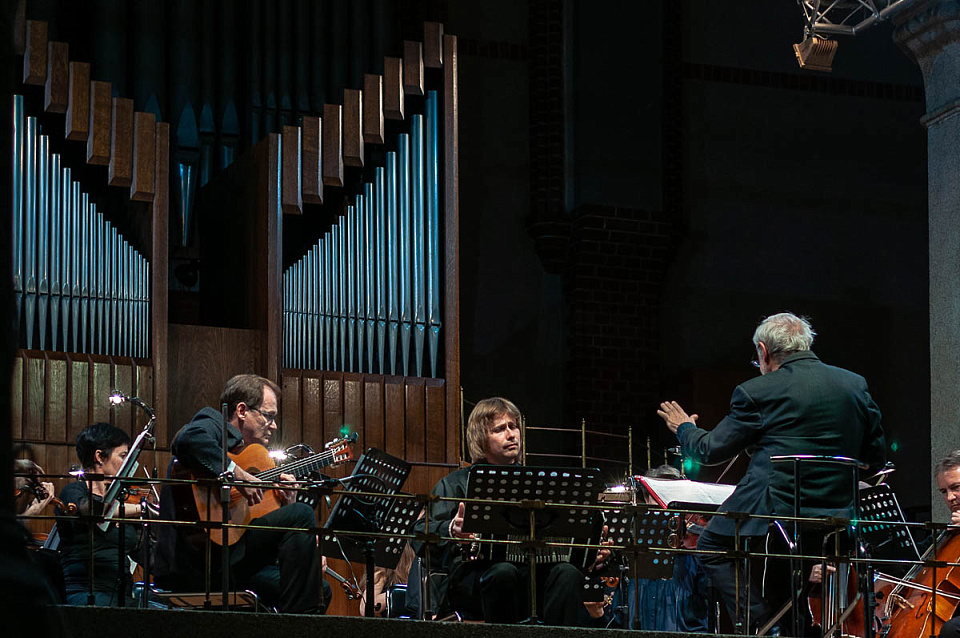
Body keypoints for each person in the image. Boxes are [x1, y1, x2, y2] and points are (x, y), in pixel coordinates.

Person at [657, 312, 886, 633]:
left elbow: (709, 450)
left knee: (712, 545)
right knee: (785, 567)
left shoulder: (759, 391)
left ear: (764, 351)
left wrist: (684, 428)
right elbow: (875, 456)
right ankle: (791, 625)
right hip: (835, 518)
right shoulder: (854, 384)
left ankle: (767, 625)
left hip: (777, 511)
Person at [154, 374, 327, 613]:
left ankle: (294, 623)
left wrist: (286, 504)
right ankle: (297, 626)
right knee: (302, 514)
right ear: (242, 410)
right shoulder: (214, 423)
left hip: (230, 559)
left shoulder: (249, 453)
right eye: (268, 416)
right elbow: (187, 439)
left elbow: (251, 525)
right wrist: (236, 473)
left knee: (320, 589)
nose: (274, 426)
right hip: (197, 564)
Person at [413, 397, 595, 625]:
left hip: (533, 571)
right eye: (499, 429)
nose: (511, 434)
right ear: (480, 438)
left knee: (567, 574)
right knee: (503, 572)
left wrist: (593, 544)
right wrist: (451, 529)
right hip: (475, 577)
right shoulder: (455, 484)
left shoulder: (539, 483)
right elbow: (419, 536)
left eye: (514, 426)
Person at [56, 423, 144, 606]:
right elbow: (93, 510)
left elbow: (145, 553)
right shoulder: (73, 492)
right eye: (123, 456)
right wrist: (141, 509)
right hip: (85, 594)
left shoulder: (122, 498)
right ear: (99, 457)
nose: (127, 463)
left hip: (122, 596)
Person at [931, 451, 960, 638]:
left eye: (956, 487)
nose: (950, 498)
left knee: (952, 630)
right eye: (944, 491)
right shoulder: (950, 533)